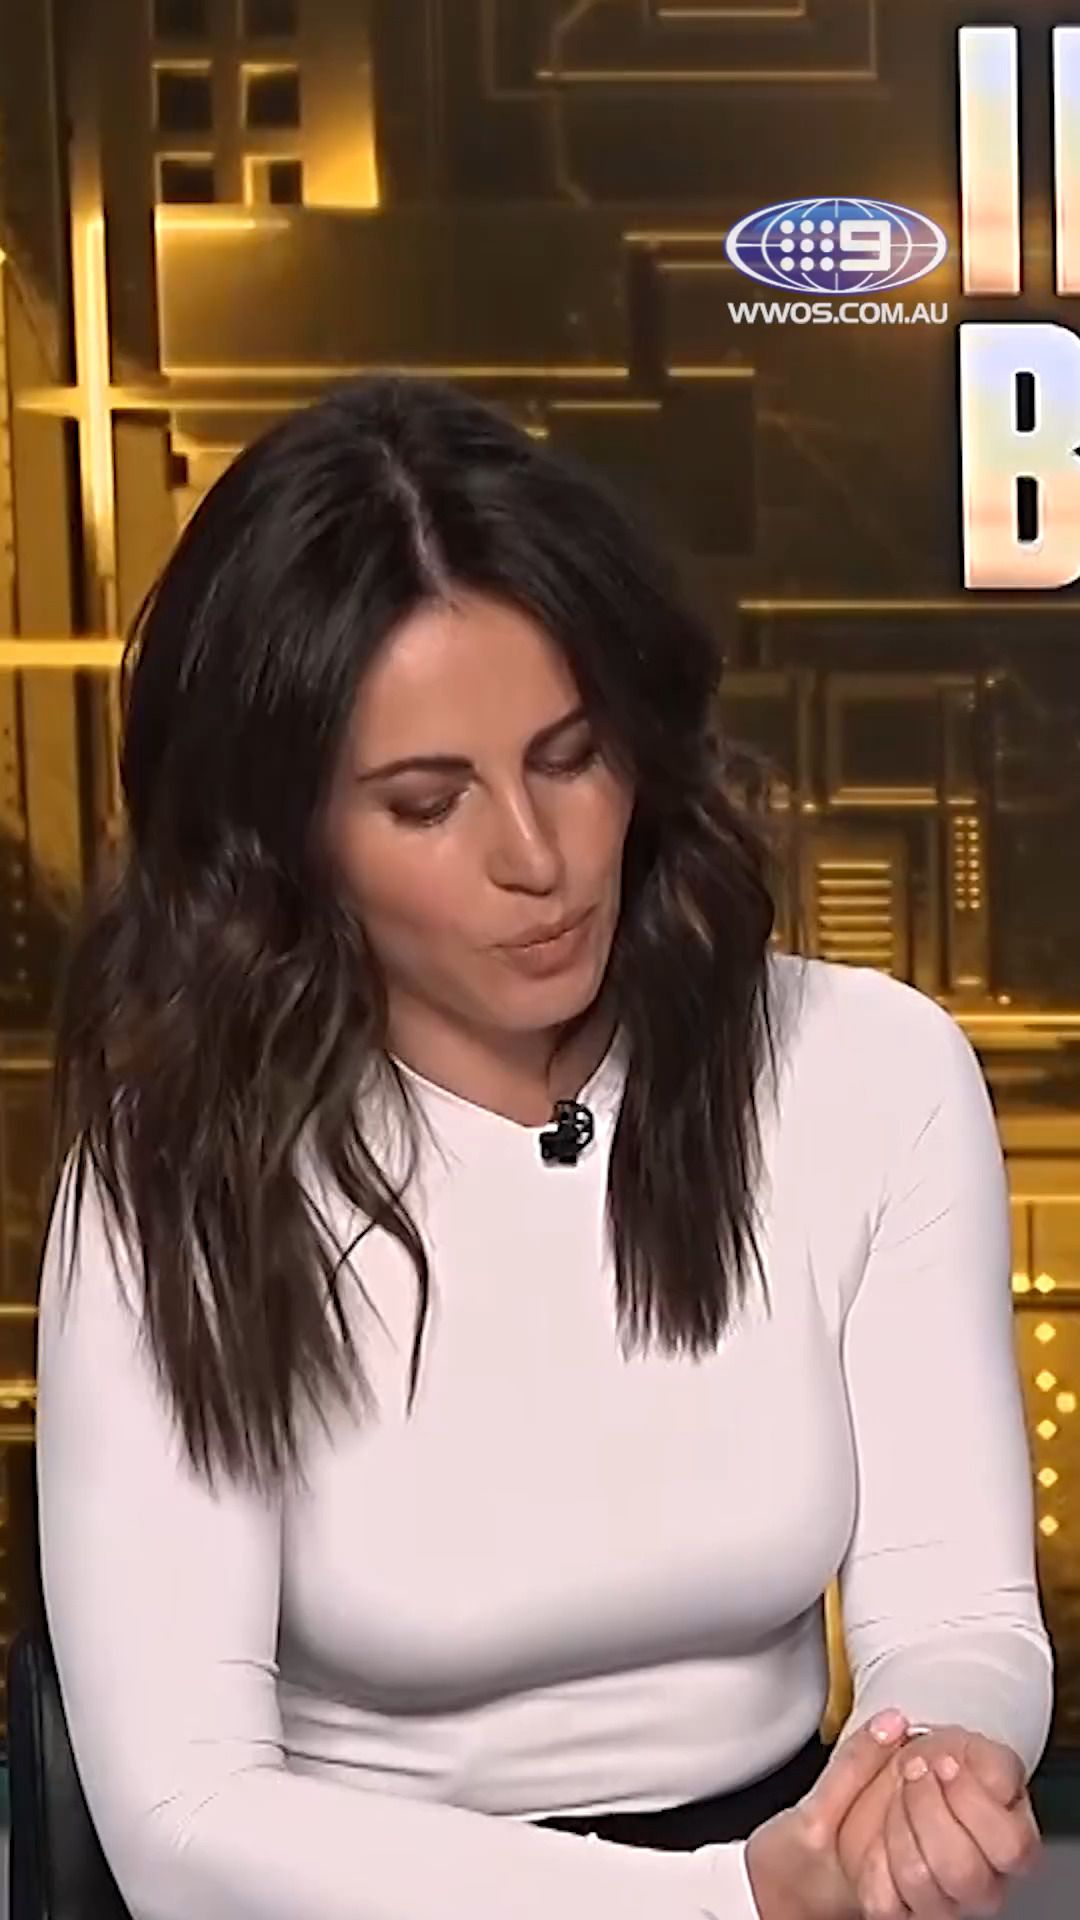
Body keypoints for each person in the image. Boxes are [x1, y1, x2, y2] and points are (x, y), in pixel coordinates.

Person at [35, 375, 1051, 1920]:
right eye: (426, 802)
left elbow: (958, 1611)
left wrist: (923, 1776)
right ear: (287, 838)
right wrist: (725, 1907)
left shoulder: (871, 1076)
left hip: (791, 1868)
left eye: (572, 756)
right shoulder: (172, 1158)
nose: (537, 857)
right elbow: (185, 1821)